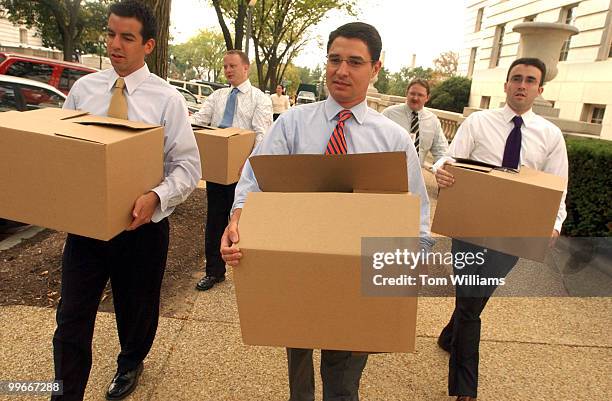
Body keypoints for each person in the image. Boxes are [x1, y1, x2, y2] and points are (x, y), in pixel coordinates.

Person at [220, 22, 433, 401]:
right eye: (335, 59)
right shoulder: (292, 125)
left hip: (360, 277)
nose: (341, 70)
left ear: (376, 69)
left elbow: (415, 217)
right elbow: (255, 177)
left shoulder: (394, 140)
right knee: (297, 366)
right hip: (296, 268)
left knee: (343, 382)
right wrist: (238, 219)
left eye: (354, 61)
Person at [50, 1, 201, 400]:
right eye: (111, 34)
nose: (115, 44)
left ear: (148, 44)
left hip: (142, 231)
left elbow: (186, 167)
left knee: (136, 310)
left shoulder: (167, 100)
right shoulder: (83, 91)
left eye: (127, 37)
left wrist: (157, 196)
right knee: (71, 317)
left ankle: (131, 362)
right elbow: (63, 151)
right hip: (87, 229)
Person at [433, 57, 568, 401]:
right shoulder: (478, 122)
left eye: (530, 80)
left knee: (474, 299)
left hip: (514, 232)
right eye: (516, 79)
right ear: (506, 85)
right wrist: (442, 169)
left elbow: (558, 185)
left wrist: (554, 224)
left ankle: (450, 336)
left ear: (540, 89)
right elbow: (448, 158)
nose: (522, 85)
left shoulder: (550, 135)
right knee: (470, 304)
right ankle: (466, 389)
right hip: (470, 225)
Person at [192, 50, 272, 291]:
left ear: (246, 68)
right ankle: (214, 272)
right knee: (215, 220)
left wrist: (247, 164)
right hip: (218, 170)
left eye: (233, 66)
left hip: (244, 173)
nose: (228, 70)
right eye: (225, 66)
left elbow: (263, 135)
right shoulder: (217, 97)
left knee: (245, 224)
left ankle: (250, 272)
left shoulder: (260, 99)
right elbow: (200, 119)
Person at [382, 78, 449, 167]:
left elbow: (441, 149)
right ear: (406, 93)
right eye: (412, 93)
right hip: (389, 170)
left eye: (420, 95)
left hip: (416, 175)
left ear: (427, 97)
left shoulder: (433, 121)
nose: (415, 98)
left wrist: (442, 167)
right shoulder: (389, 114)